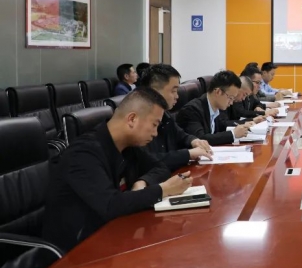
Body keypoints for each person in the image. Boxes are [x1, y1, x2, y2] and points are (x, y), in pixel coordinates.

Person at [42, 88, 193, 252]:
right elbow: (111, 205)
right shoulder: (83, 154)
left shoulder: (127, 145)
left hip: (111, 235)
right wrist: (163, 190)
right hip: (75, 250)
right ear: (132, 119)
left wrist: (143, 182)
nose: (156, 133)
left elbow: (160, 167)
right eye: (154, 125)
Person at [140, 64, 214, 171]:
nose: (177, 96)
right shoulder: (139, 122)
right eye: (173, 91)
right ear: (154, 91)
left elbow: (181, 135)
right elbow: (148, 160)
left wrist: (194, 141)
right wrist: (187, 154)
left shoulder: (165, 115)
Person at [176, 70, 252, 146]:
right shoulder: (192, 110)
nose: (231, 103)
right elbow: (200, 139)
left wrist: (241, 126)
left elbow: (222, 126)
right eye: (230, 98)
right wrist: (233, 134)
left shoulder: (215, 108)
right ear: (218, 92)